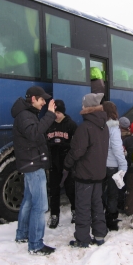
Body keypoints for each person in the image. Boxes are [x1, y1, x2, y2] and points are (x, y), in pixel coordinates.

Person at [12, 86, 56, 255]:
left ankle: (22, 234)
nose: (44, 103)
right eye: (42, 100)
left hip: (31, 162)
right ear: (33, 99)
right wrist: (50, 115)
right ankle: (36, 244)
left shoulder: (27, 114)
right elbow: (34, 133)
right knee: (40, 205)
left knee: (29, 200)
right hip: (33, 164)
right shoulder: (25, 116)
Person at [64, 93, 109, 248]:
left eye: (84, 105)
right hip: (99, 173)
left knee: (83, 206)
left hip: (84, 174)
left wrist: (67, 163)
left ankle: (82, 239)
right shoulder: (104, 126)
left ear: (88, 108)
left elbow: (77, 151)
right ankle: (99, 235)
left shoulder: (85, 128)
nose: (81, 107)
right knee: (97, 204)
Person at [46, 100, 78, 229]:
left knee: (70, 188)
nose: (56, 115)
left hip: (67, 163)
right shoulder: (49, 124)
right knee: (54, 190)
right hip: (53, 163)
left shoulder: (70, 124)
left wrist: (65, 148)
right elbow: (44, 141)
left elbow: (76, 145)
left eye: (58, 112)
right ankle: (54, 215)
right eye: (54, 112)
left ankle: (75, 211)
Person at [102, 101, 128, 231]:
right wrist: (123, 164)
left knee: (99, 193)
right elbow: (117, 149)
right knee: (112, 194)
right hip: (112, 166)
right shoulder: (114, 128)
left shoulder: (99, 125)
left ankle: (98, 218)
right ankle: (111, 221)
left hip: (100, 165)